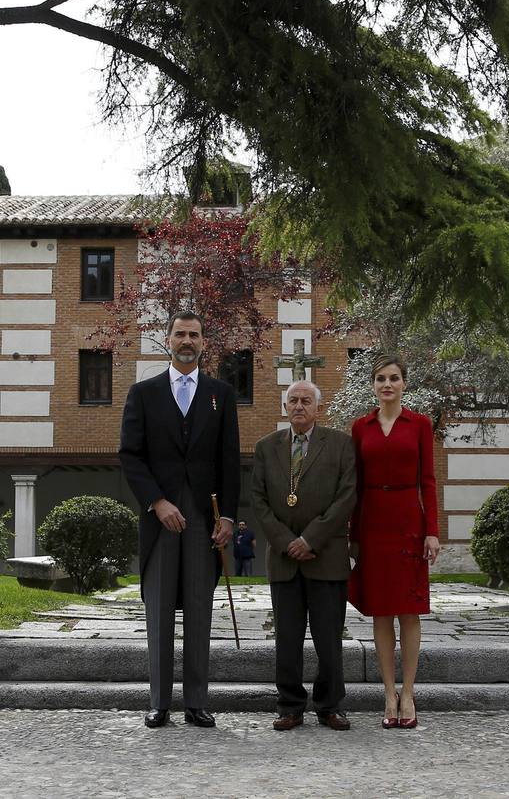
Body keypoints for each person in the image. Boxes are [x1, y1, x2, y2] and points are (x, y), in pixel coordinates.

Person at [119, 310, 240, 729]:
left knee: (199, 612)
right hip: (161, 519)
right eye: (180, 334)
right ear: (168, 340)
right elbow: (130, 456)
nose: (187, 340)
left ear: (204, 342)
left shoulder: (220, 394)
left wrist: (228, 517)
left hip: (205, 518)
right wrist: (156, 501)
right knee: (158, 613)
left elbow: (229, 460)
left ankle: (196, 702)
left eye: (194, 334)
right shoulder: (144, 393)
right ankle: (158, 703)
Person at [248, 380, 358, 732]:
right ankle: (290, 706)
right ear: (285, 406)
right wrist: (286, 541)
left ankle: (330, 706)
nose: (299, 406)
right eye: (293, 400)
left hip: (325, 557)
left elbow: (347, 498)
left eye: (306, 400)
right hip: (284, 560)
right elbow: (259, 501)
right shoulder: (267, 447)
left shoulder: (341, 445)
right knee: (287, 639)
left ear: (317, 407)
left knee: (329, 640)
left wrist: (310, 539)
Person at [349, 355, 440, 729]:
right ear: (373, 385)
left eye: (394, 378)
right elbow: (353, 484)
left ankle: (409, 692)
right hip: (372, 521)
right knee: (382, 610)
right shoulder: (360, 427)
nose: (387, 384)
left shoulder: (420, 424)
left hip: (408, 521)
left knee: (409, 609)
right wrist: (351, 535)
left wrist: (432, 530)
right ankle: (388, 694)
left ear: (404, 384)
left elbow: (429, 480)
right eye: (380, 379)